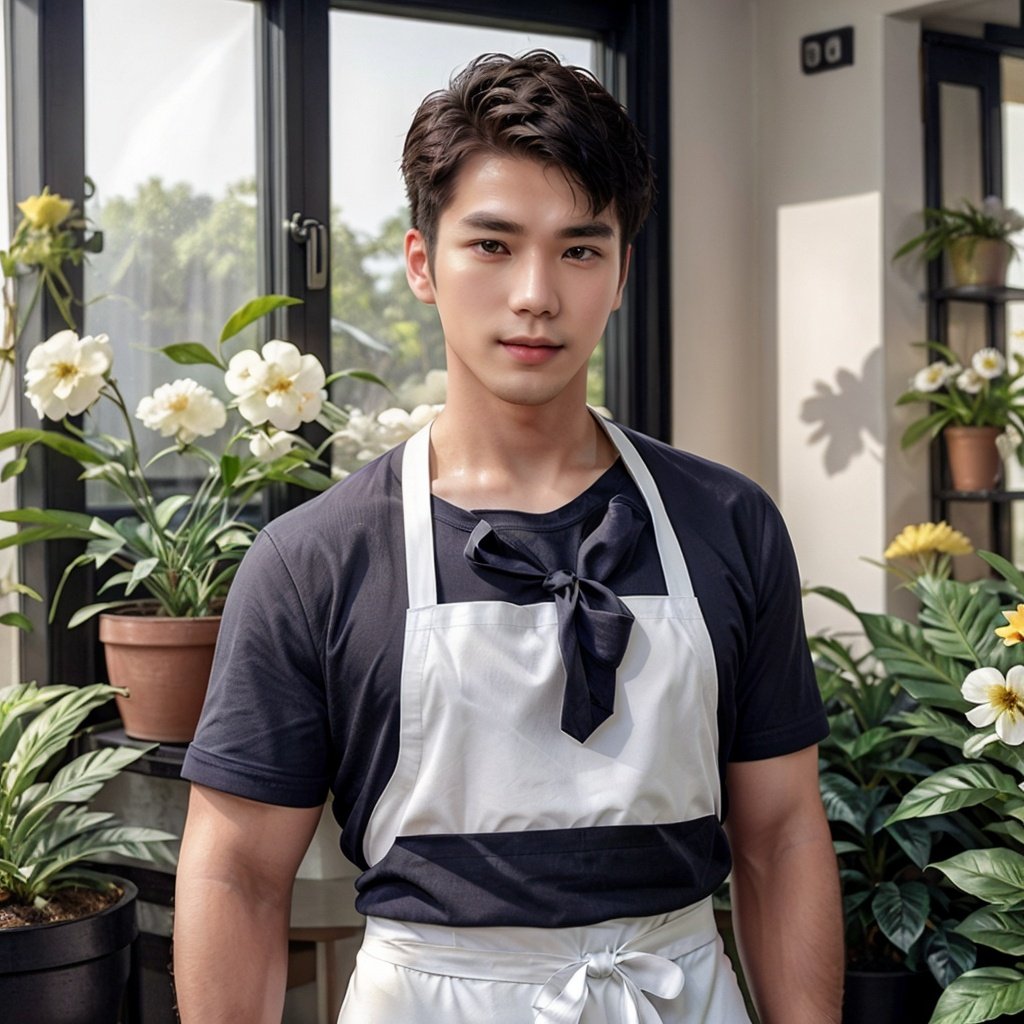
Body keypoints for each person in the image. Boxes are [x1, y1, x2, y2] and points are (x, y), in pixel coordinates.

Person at [173, 50, 843, 1024]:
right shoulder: (314, 559)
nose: (536, 292)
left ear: (619, 273)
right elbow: (234, 870)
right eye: (492, 245)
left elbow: (780, 834)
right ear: (421, 264)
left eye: (579, 248)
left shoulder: (728, 523)